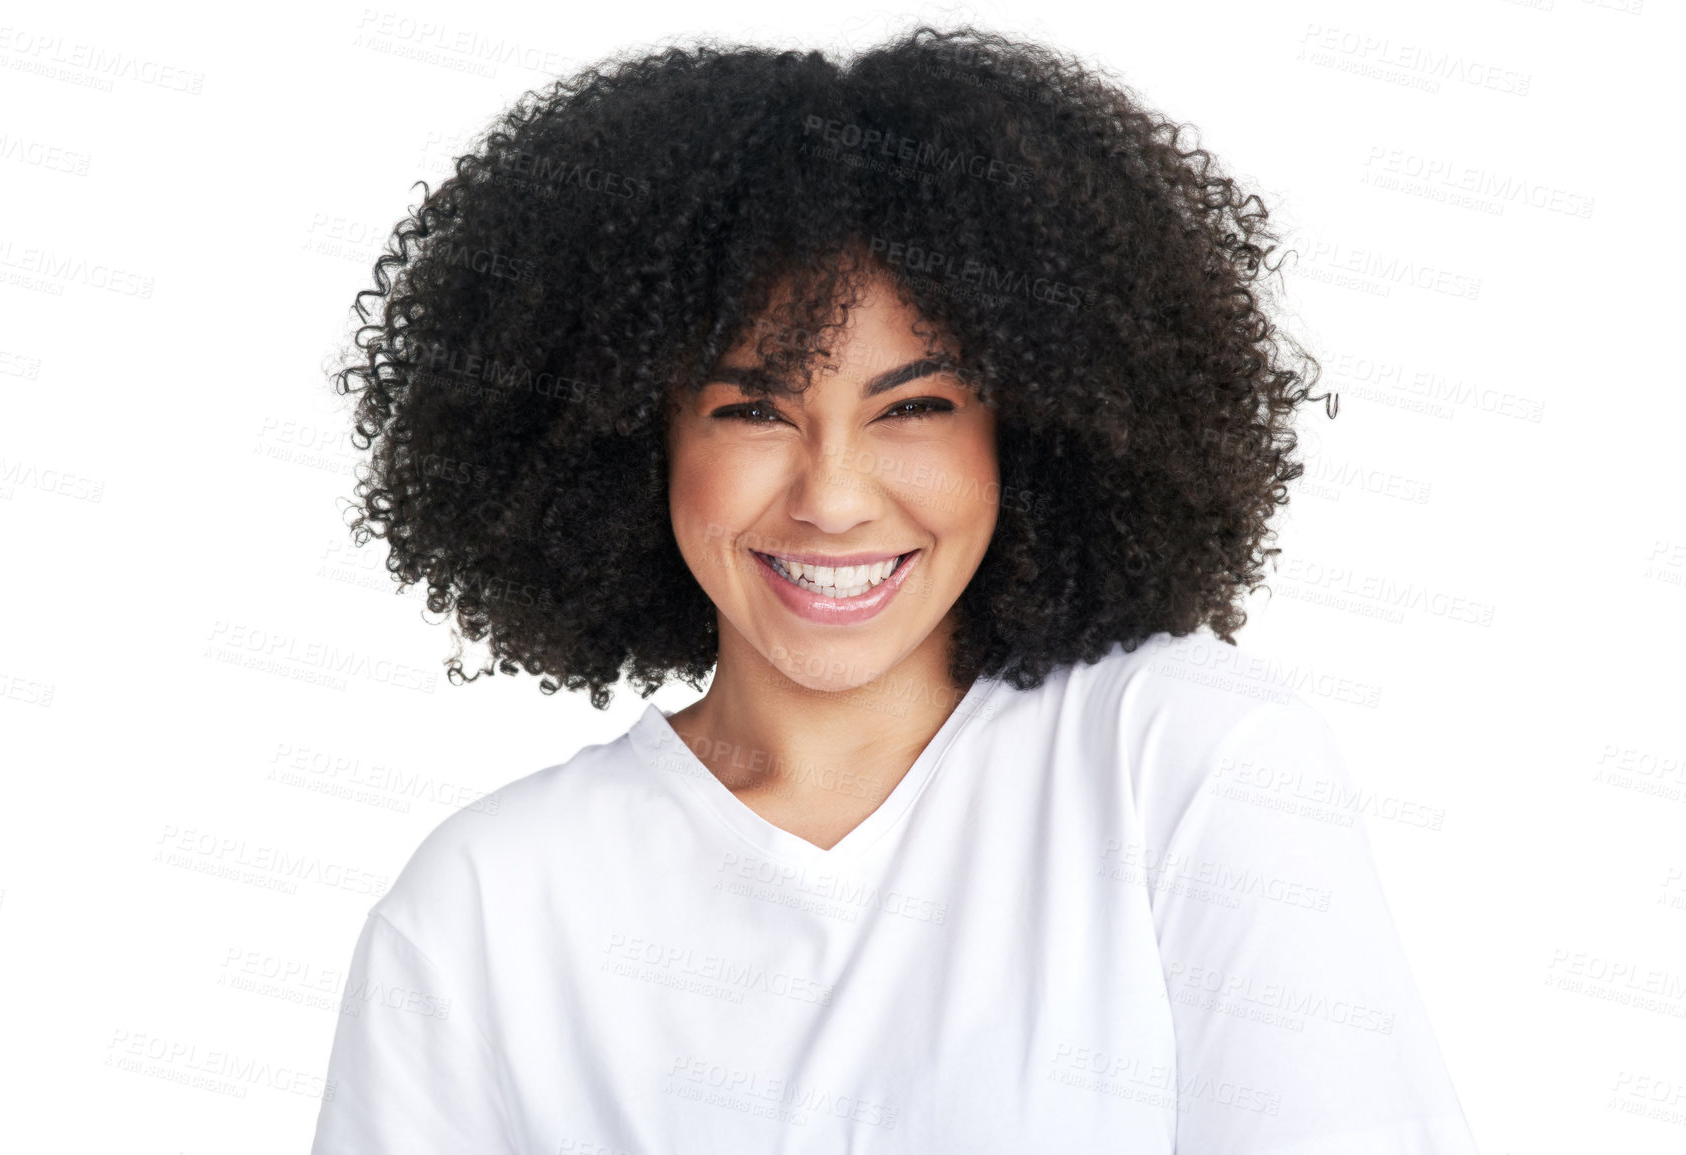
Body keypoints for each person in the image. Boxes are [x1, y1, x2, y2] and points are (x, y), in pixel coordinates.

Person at [310, 25, 1480, 1153]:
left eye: (914, 406)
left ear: (1024, 429)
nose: (833, 497)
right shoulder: (485, 910)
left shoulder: (1181, 764)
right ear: (630, 436)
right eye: (753, 409)